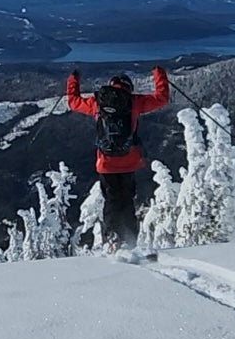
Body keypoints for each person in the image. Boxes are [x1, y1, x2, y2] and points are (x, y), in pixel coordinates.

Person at [67, 67, 170, 249]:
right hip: (129, 161)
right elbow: (161, 98)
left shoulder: (97, 103)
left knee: (112, 200)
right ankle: (129, 240)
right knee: (127, 200)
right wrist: (159, 74)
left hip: (106, 162)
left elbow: (74, 102)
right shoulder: (134, 102)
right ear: (128, 88)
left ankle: (112, 238)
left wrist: (73, 79)